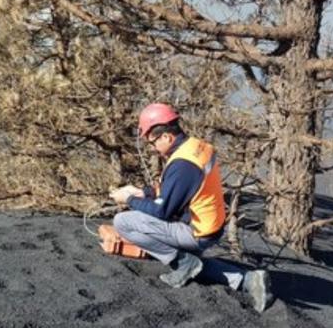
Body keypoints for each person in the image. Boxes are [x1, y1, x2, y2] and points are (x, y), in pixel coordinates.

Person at [109, 103, 273, 313]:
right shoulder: (195, 146)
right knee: (191, 262)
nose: (152, 149)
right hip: (209, 224)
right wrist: (144, 193)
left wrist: (129, 199)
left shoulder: (182, 164)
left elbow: (162, 212)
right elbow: (178, 190)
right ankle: (248, 280)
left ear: (166, 136)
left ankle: (183, 261)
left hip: (197, 230)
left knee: (123, 222)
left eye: (152, 143)